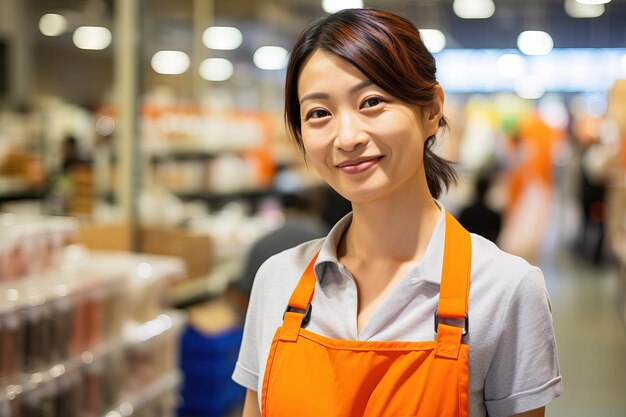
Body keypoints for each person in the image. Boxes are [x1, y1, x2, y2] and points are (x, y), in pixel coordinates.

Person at [232, 8, 562, 417]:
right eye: (319, 113)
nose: (347, 137)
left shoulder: (505, 289)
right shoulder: (277, 280)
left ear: (431, 110)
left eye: (372, 101)